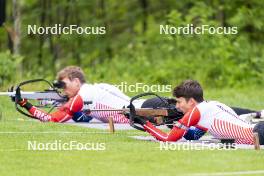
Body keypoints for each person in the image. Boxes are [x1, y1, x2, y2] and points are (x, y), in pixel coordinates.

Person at [139, 80, 264, 145]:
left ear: (191, 102)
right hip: (258, 131)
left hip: (258, 133)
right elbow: (194, 136)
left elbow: (169, 139)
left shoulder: (197, 111)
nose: (177, 106)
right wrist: (177, 124)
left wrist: (144, 124)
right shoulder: (212, 105)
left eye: (179, 101)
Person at [16, 66, 144, 123]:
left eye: (64, 85)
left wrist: (25, 104)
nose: (63, 90)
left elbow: (53, 119)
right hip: (143, 110)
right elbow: (84, 118)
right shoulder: (92, 89)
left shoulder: (83, 95)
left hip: (146, 112)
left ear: (76, 82)